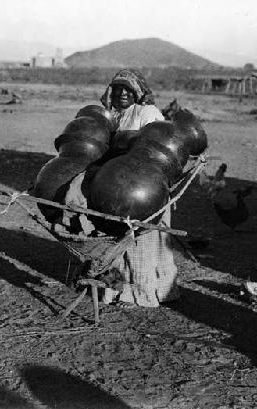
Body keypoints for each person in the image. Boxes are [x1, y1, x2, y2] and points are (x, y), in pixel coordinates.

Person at [62, 68, 180, 307]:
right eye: (117, 89)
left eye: (128, 89)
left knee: (142, 242)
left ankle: (144, 292)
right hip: (119, 184)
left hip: (145, 188)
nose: (122, 93)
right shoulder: (116, 116)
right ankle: (118, 289)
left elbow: (159, 151)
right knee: (118, 237)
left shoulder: (147, 112)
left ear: (138, 92)